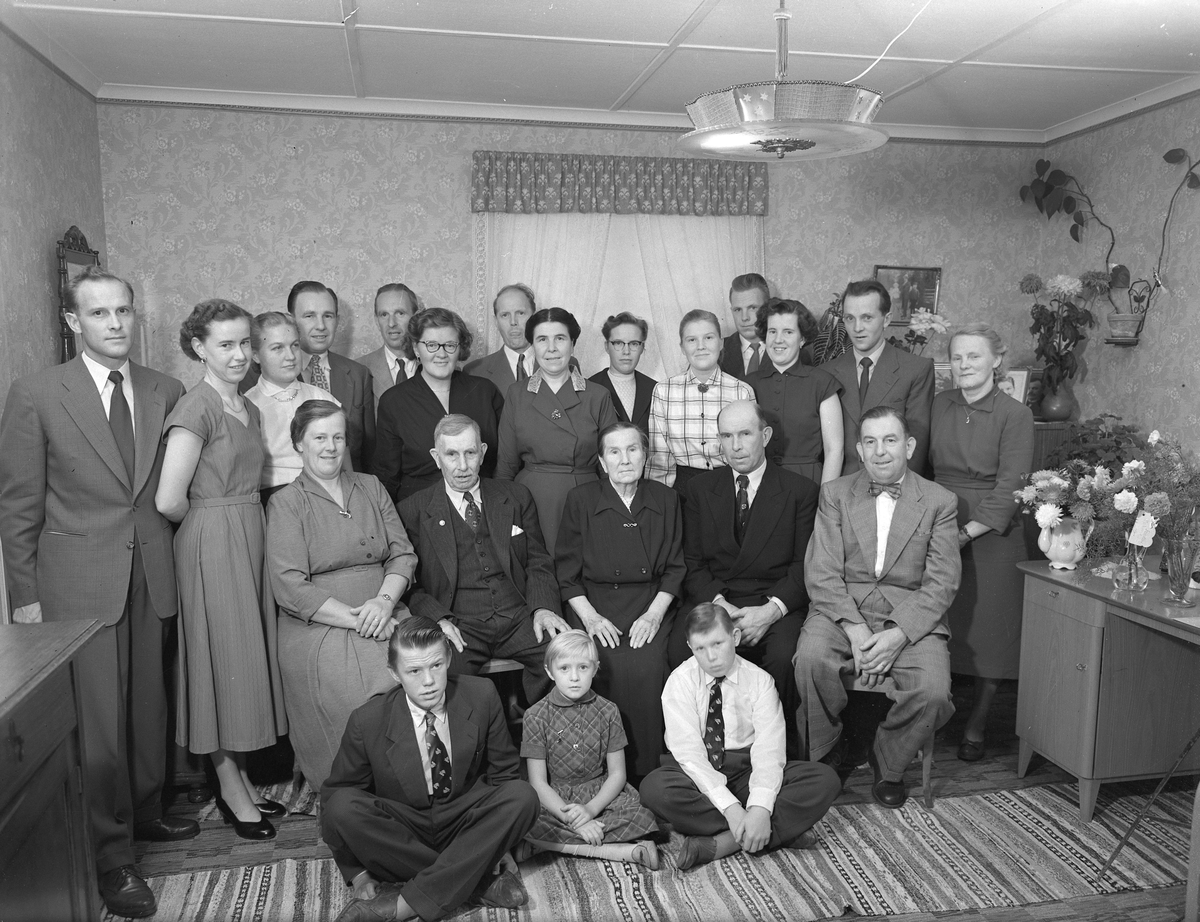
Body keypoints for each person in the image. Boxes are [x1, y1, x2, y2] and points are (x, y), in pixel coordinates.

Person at [0, 266, 196, 919]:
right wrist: (25, 598)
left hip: (153, 574)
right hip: (77, 585)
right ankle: (112, 858)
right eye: (99, 313)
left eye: (123, 311)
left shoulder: (165, 388)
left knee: (149, 708)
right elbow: (18, 506)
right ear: (73, 321)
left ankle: (144, 813)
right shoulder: (36, 394)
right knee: (101, 726)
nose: (115, 324)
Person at [156, 299, 287, 841]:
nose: (239, 355)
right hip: (213, 539)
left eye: (245, 343)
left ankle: (242, 779)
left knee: (244, 658)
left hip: (249, 532)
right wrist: (212, 526)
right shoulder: (197, 407)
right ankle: (229, 787)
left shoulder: (246, 407)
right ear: (199, 348)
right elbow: (168, 499)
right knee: (220, 661)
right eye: (225, 344)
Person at [795, 406, 961, 809]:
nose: (880, 451)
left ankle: (889, 760)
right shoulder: (835, 494)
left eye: (889, 440)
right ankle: (828, 751)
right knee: (811, 660)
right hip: (842, 607)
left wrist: (898, 635)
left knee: (934, 692)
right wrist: (855, 630)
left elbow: (942, 583)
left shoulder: (939, 501)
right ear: (859, 449)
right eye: (870, 442)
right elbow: (821, 571)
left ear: (909, 446)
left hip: (910, 613)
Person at [321, 617, 540, 922]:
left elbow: (504, 774)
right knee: (342, 805)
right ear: (394, 673)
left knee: (523, 796)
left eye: (436, 665)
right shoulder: (367, 719)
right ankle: (476, 880)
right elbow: (334, 798)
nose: (429, 681)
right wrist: (358, 874)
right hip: (404, 830)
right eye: (414, 671)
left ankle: (401, 906)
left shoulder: (482, 694)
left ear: (448, 659)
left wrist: (500, 844)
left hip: (464, 819)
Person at [267, 399, 418, 789]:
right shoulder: (286, 503)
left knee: (424, 676)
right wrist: (360, 619)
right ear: (298, 443)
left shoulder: (370, 486)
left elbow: (402, 554)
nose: (330, 447)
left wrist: (384, 604)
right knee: (362, 695)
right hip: (321, 626)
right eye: (319, 438)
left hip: (386, 609)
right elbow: (289, 587)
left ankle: (419, 787)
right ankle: (357, 794)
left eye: (337, 437)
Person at [640, 604, 840, 871]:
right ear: (690, 647)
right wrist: (733, 810)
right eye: (700, 648)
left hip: (747, 769)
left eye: (718, 644)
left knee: (824, 780)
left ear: (734, 637)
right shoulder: (680, 681)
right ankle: (775, 831)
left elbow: (769, 750)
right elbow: (690, 756)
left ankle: (725, 842)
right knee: (654, 789)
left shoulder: (760, 681)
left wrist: (760, 807)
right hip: (698, 772)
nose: (711, 657)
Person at [672, 400, 818, 756]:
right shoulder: (699, 489)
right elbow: (692, 562)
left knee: (784, 655)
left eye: (745, 434)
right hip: (717, 599)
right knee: (678, 648)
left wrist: (770, 612)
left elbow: (804, 566)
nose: (735, 445)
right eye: (726, 436)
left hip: (773, 601)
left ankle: (777, 754)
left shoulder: (800, 491)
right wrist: (719, 605)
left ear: (765, 436)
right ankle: (699, 753)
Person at [397, 415, 569, 703]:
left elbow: (537, 561)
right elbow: (412, 586)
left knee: (563, 658)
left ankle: (542, 729)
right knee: (445, 682)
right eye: (451, 455)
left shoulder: (515, 496)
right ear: (436, 457)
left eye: (470, 453)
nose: (462, 465)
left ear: (483, 452)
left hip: (519, 617)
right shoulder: (413, 510)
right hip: (460, 624)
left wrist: (543, 608)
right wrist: (438, 619)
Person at [555, 421, 685, 777]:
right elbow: (566, 573)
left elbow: (676, 568)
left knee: (648, 667)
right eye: (614, 452)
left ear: (645, 455)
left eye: (632, 449)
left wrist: (654, 615)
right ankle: (600, 774)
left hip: (651, 603)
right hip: (596, 604)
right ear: (602, 461)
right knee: (603, 665)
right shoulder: (581, 500)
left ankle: (649, 774)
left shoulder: (666, 498)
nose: (624, 459)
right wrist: (591, 618)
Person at [929, 324, 1034, 762]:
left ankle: (977, 723)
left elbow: (1012, 486)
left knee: (989, 633)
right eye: (957, 357)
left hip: (994, 534)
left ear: (996, 360)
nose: (964, 364)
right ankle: (934, 716)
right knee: (939, 625)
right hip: (938, 522)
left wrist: (965, 533)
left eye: (974, 356)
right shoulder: (939, 403)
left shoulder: (1015, 414)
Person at [517, 631, 660, 867]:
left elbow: (617, 774)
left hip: (598, 793)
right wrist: (574, 820)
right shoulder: (535, 716)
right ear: (550, 671)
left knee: (642, 816)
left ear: (595, 669)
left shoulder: (609, 711)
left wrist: (591, 811)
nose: (574, 677)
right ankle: (621, 851)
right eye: (564, 668)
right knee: (525, 819)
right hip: (556, 798)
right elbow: (538, 783)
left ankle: (543, 845)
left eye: (583, 667)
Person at [494, 307, 617, 555]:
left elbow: (611, 465)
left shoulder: (597, 395)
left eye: (560, 338)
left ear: (573, 344)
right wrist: (502, 516)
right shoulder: (517, 394)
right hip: (531, 501)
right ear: (533, 346)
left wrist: (612, 510)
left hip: (586, 500)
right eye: (542, 339)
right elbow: (506, 466)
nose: (551, 348)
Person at [373, 307, 504, 502]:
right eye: (431, 345)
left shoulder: (485, 391)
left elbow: (503, 459)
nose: (441, 354)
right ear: (416, 348)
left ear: (460, 348)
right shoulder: (393, 401)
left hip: (482, 502)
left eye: (450, 345)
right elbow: (386, 475)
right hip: (419, 507)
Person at [825, 280, 935, 476]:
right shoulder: (827, 373)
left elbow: (916, 446)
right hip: (842, 486)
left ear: (886, 319)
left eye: (867, 317)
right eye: (849, 318)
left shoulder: (916, 370)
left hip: (895, 485)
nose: (857, 327)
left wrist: (900, 491)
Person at [645, 309, 754, 492]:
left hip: (729, 484)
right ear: (682, 347)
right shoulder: (664, 391)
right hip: (682, 487)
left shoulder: (741, 391)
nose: (700, 346)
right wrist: (658, 499)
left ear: (721, 343)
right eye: (692, 340)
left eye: (708, 338)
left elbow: (749, 452)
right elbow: (660, 459)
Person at [244, 311, 341, 504]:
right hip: (273, 500)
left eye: (295, 345)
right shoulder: (247, 405)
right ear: (255, 355)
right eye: (277, 348)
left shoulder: (322, 398)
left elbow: (343, 462)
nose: (290, 356)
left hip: (325, 495)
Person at [750, 297, 844, 484]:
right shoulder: (748, 384)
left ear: (802, 339)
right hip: (759, 482)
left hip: (808, 481)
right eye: (772, 331)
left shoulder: (823, 384)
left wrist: (825, 497)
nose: (778, 340)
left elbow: (835, 451)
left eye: (788, 332)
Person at [287, 280, 375, 472]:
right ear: (291, 321)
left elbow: (368, 453)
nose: (321, 326)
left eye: (328, 316)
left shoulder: (358, 374)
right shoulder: (270, 374)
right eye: (309, 316)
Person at [588, 311, 656, 434]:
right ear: (607, 346)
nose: (626, 351)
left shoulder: (655, 389)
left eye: (634, 344)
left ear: (642, 347)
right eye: (618, 343)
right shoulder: (589, 388)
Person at [463, 283, 537, 390]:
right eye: (505, 315)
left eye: (520, 313)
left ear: (534, 317)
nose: (513, 322)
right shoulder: (474, 372)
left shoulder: (561, 365)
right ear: (496, 322)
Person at [359, 282, 421, 410]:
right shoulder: (359, 370)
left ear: (416, 317)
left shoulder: (437, 365)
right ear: (377, 321)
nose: (391, 323)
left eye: (400, 313)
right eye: (384, 315)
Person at [720, 273, 769, 381]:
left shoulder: (791, 350)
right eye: (738, 310)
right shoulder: (717, 352)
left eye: (752, 308)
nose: (744, 317)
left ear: (768, 308)